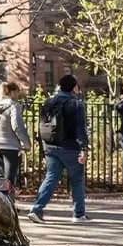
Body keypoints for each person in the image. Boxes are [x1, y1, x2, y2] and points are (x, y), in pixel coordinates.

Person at [29, 74, 91, 223]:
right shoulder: (76, 104)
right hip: (70, 147)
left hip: (50, 145)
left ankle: (36, 209)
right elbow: (80, 129)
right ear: (74, 87)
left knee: (51, 177)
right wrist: (84, 148)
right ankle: (78, 214)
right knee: (76, 179)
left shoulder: (49, 102)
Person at [0, 81, 32, 191]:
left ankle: (2, 202)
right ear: (12, 92)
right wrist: (27, 143)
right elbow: (17, 126)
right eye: (18, 92)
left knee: (1, 179)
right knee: (9, 179)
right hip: (10, 145)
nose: (18, 95)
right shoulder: (14, 106)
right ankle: (9, 203)